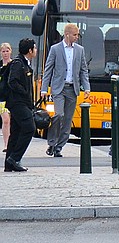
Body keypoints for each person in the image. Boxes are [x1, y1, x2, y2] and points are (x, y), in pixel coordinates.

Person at [41, 23, 91, 158]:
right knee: (59, 115)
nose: (77, 37)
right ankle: (52, 142)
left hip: (72, 89)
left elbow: (83, 70)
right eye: (75, 35)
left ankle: (59, 147)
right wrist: (44, 89)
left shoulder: (80, 50)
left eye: (77, 35)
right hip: (58, 88)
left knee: (68, 120)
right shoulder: (55, 49)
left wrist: (87, 87)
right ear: (67, 34)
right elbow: (48, 69)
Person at [5, 38, 37, 172]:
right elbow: (12, 82)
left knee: (16, 132)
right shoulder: (18, 63)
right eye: (34, 48)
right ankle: (15, 158)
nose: (35, 50)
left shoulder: (25, 63)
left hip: (22, 103)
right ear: (29, 50)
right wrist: (24, 93)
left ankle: (9, 164)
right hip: (18, 103)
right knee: (30, 128)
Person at [0, 42, 12, 154]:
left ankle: (12, 143)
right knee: (6, 120)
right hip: (1, 98)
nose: (5, 53)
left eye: (7, 51)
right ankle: (6, 144)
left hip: (12, 97)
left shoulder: (14, 65)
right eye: (3, 51)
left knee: (13, 121)